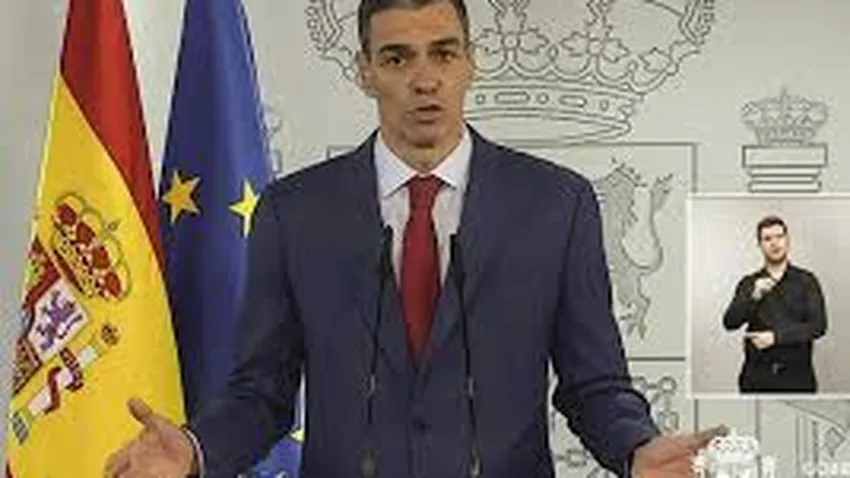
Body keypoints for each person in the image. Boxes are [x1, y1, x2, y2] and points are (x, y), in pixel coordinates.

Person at [104, 0, 725, 476]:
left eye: (443, 54)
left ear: (471, 62)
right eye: (398, 58)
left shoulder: (556, 205)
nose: (425, 80)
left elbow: (594, 386)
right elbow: (261, 394)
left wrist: (636, 448)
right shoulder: (294, 213)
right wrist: (196, 450)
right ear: (365, 72)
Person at [723, 215, 827, 393]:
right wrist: (754, 296)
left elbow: (818, 326)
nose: (774, 243)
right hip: (756, 379)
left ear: (788, 240)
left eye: (779, 236)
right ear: (760, 245)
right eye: (767, 239)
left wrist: (776, 337)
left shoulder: (807, 280)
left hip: (797, 378)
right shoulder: (749, 283)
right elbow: (729, 323)